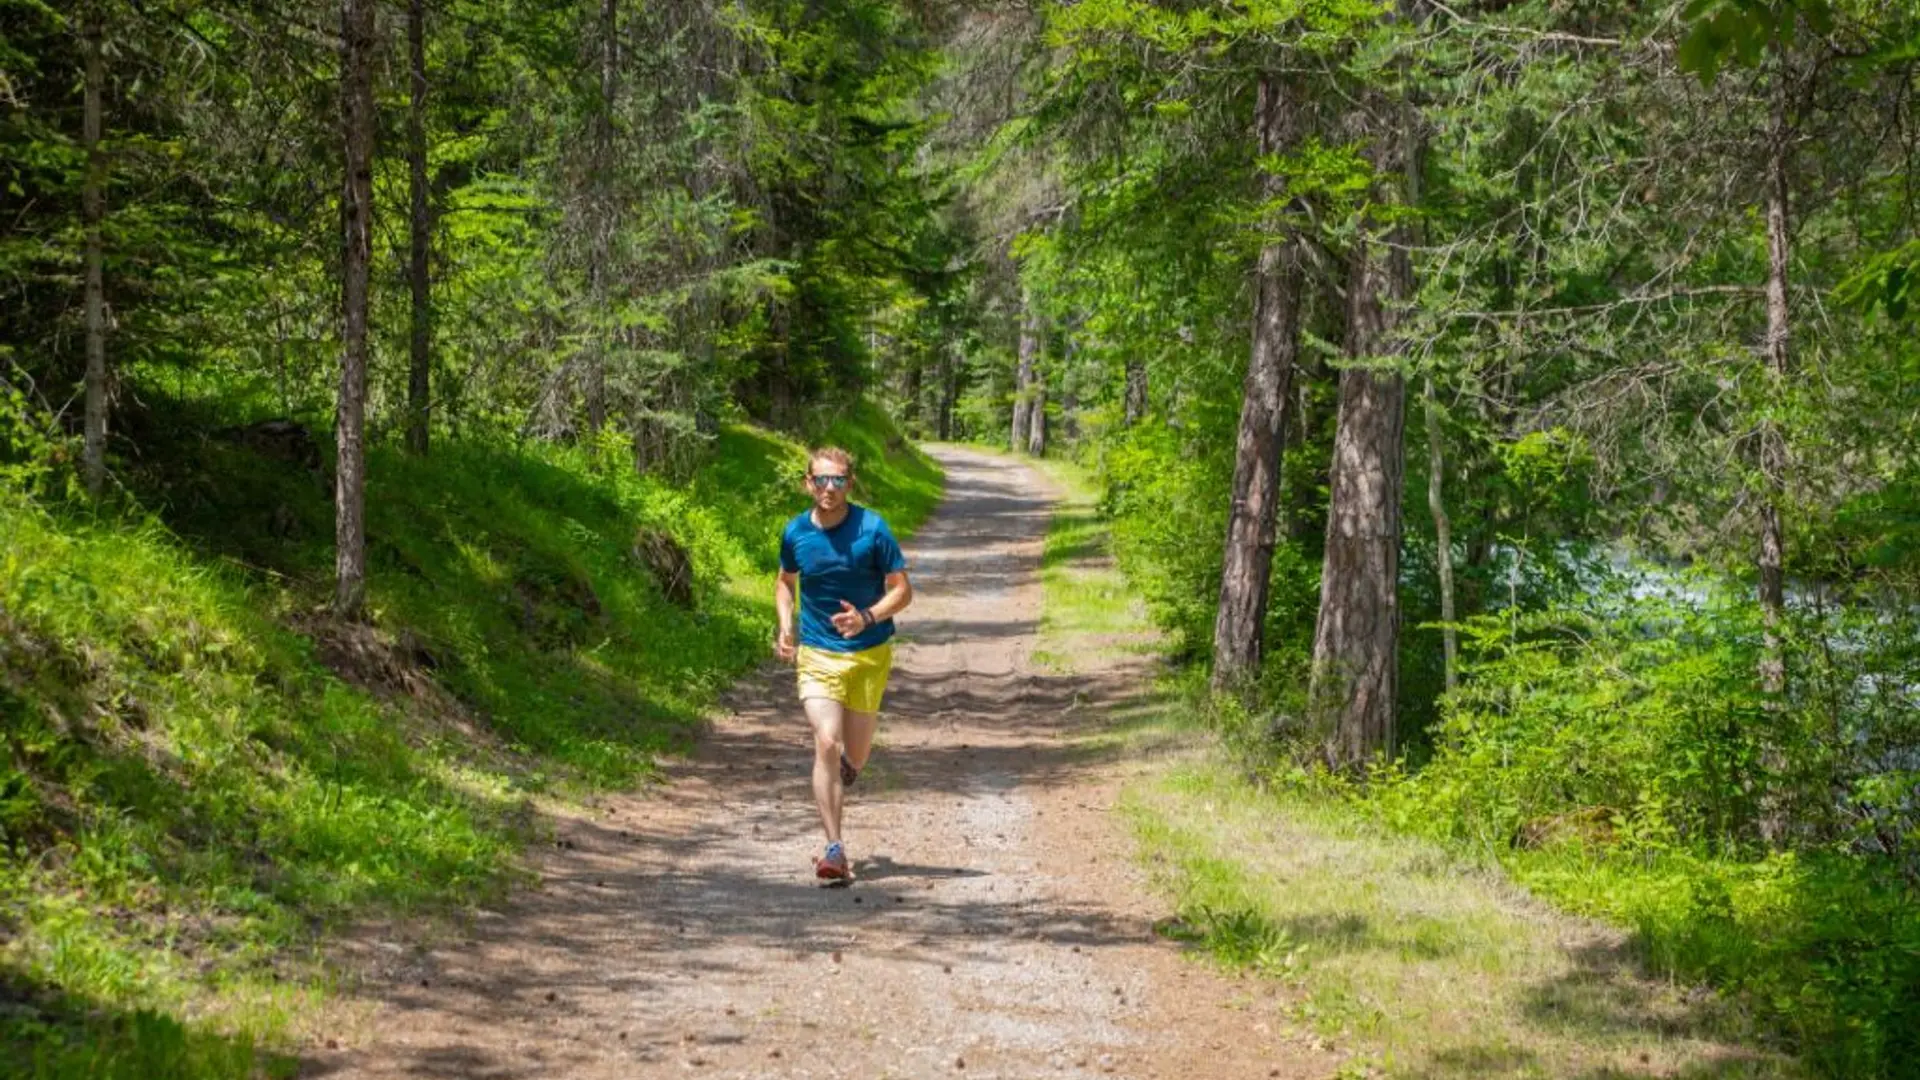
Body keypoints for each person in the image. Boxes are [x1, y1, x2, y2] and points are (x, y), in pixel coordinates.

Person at [774, 447, 912, 881]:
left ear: (849, 484)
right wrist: (785, 625)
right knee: (826, 742)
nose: (828, 488)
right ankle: (834, 848)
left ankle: (851, 766)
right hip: (817, 653)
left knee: (857, 753)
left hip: (869, 654)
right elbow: (784, 582)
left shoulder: (872, 529)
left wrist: (867, 616)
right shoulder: (796, 532)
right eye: (820, 480)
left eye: (837, 480)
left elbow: (903, 592)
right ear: (807, 483)